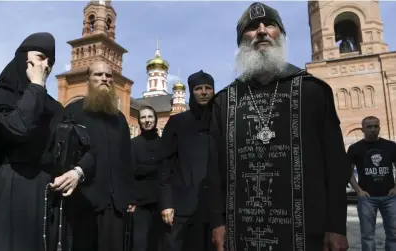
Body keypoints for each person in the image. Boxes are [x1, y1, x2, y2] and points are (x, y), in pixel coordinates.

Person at [206, 3, 351, 251]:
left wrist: (336, 226)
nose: (261, 31)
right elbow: (214, 171)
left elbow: (336, 164)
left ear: (280, 35)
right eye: (252, 28)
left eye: (269, 25)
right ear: (241, 40)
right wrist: (217, 222)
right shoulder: (224, 101)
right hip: (241, 230)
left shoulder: (313, 91)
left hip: (307, 230)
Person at [0, 32, 79, 251]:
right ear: (23, 57)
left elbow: (82, 149)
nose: (46, 66)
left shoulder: (55, 108)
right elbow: (19, 128)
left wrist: (77, 173)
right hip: (9, 191)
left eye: (50, 61)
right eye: (40, 57)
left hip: (45, 197)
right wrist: (36, 86)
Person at [62, 61, 136, 251]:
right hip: (84, 201)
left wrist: (129, 196)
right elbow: (64, 155)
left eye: (108, 76)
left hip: (115, 204)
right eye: (98, 75)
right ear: (88, 79)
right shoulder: (73, 112)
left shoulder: (119, 118)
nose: (104, 79)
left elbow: (126, 159)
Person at [158, 70, 215, 251]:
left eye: (208, 88)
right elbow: (165, 164)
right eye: (198, 88)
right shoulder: (177, 122)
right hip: (181, 207)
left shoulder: (220, 120)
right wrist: (167, 203)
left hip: (213, 207)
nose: (204, 92)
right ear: (191, 92)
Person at [347, 116, 396, 251]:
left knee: (394, 234)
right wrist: (358, 190)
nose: (373, 129)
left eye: (376, 126)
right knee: (368, 236)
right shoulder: (355, 148)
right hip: (367, 198)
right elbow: (348, 173)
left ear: (379, 127)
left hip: (390, 197)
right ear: (362, 129)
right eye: (369, 127)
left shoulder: (390, 146)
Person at [131, 105, 162, 251]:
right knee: (140, 244)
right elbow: (132, 170)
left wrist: (144, 169)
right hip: (140, 203)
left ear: (155, 119)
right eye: (143, 117)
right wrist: (156, 169)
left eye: (150, 117)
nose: (147, 120)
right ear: (139, 121)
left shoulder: (164, 143)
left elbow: (169, 169)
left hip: (161, 202)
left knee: (157, 243)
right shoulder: (134, 144)